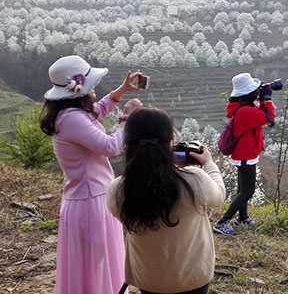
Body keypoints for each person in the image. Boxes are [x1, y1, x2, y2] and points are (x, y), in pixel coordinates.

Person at [39, 55, 143, 294]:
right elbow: (109, 146)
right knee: (102, 263)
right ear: (79, 89)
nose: (94, 89)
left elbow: (99, 110)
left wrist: (122, 90)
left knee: (88, 268)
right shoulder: (73, 119)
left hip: (82, 199)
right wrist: (127, 120)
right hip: (91, 202)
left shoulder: (67, 115)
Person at [106, 107, 226, 294]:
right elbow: (219, 194)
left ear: (127, 143)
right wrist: (208, 163)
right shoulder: (194, 180)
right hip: (193, 278)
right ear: (170, 141)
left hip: (148, 280)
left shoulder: (117, 190)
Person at [212, 72, 275, 236]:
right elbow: (269, 118)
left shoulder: (243, 108)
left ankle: (243, 217)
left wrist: (262, 99)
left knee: (242, 188)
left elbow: (263, 116)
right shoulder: (245, 112)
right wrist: (266, 98)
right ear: (249, 94)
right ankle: (222, 222)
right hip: (245, 154)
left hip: (244, 153)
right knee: (248, 191)